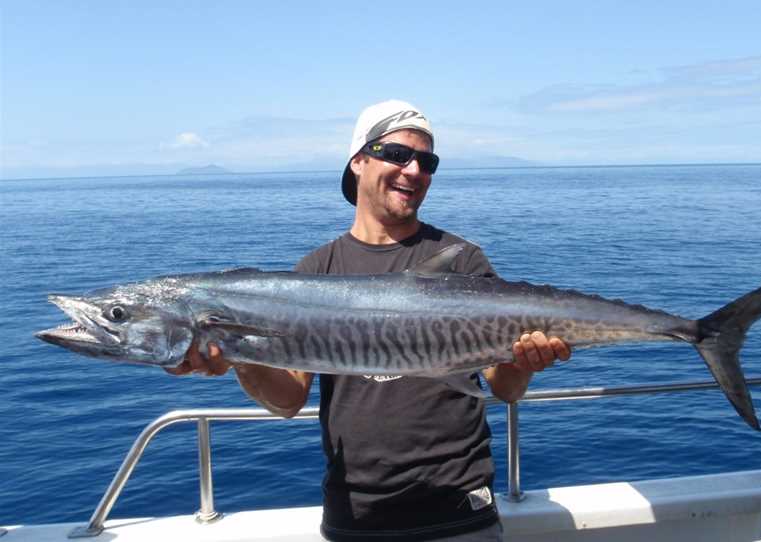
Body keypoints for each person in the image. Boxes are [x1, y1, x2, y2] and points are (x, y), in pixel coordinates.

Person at [168, 100, 572, 541]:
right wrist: (242, 357)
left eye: (427, 161)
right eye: (397, 155)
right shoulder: (316, 270)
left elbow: (505, 387)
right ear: (358, 162)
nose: (414, 170)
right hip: (356, 513)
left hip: (461, 505)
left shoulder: (464, 261)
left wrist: (525, 361)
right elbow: (287, 402)